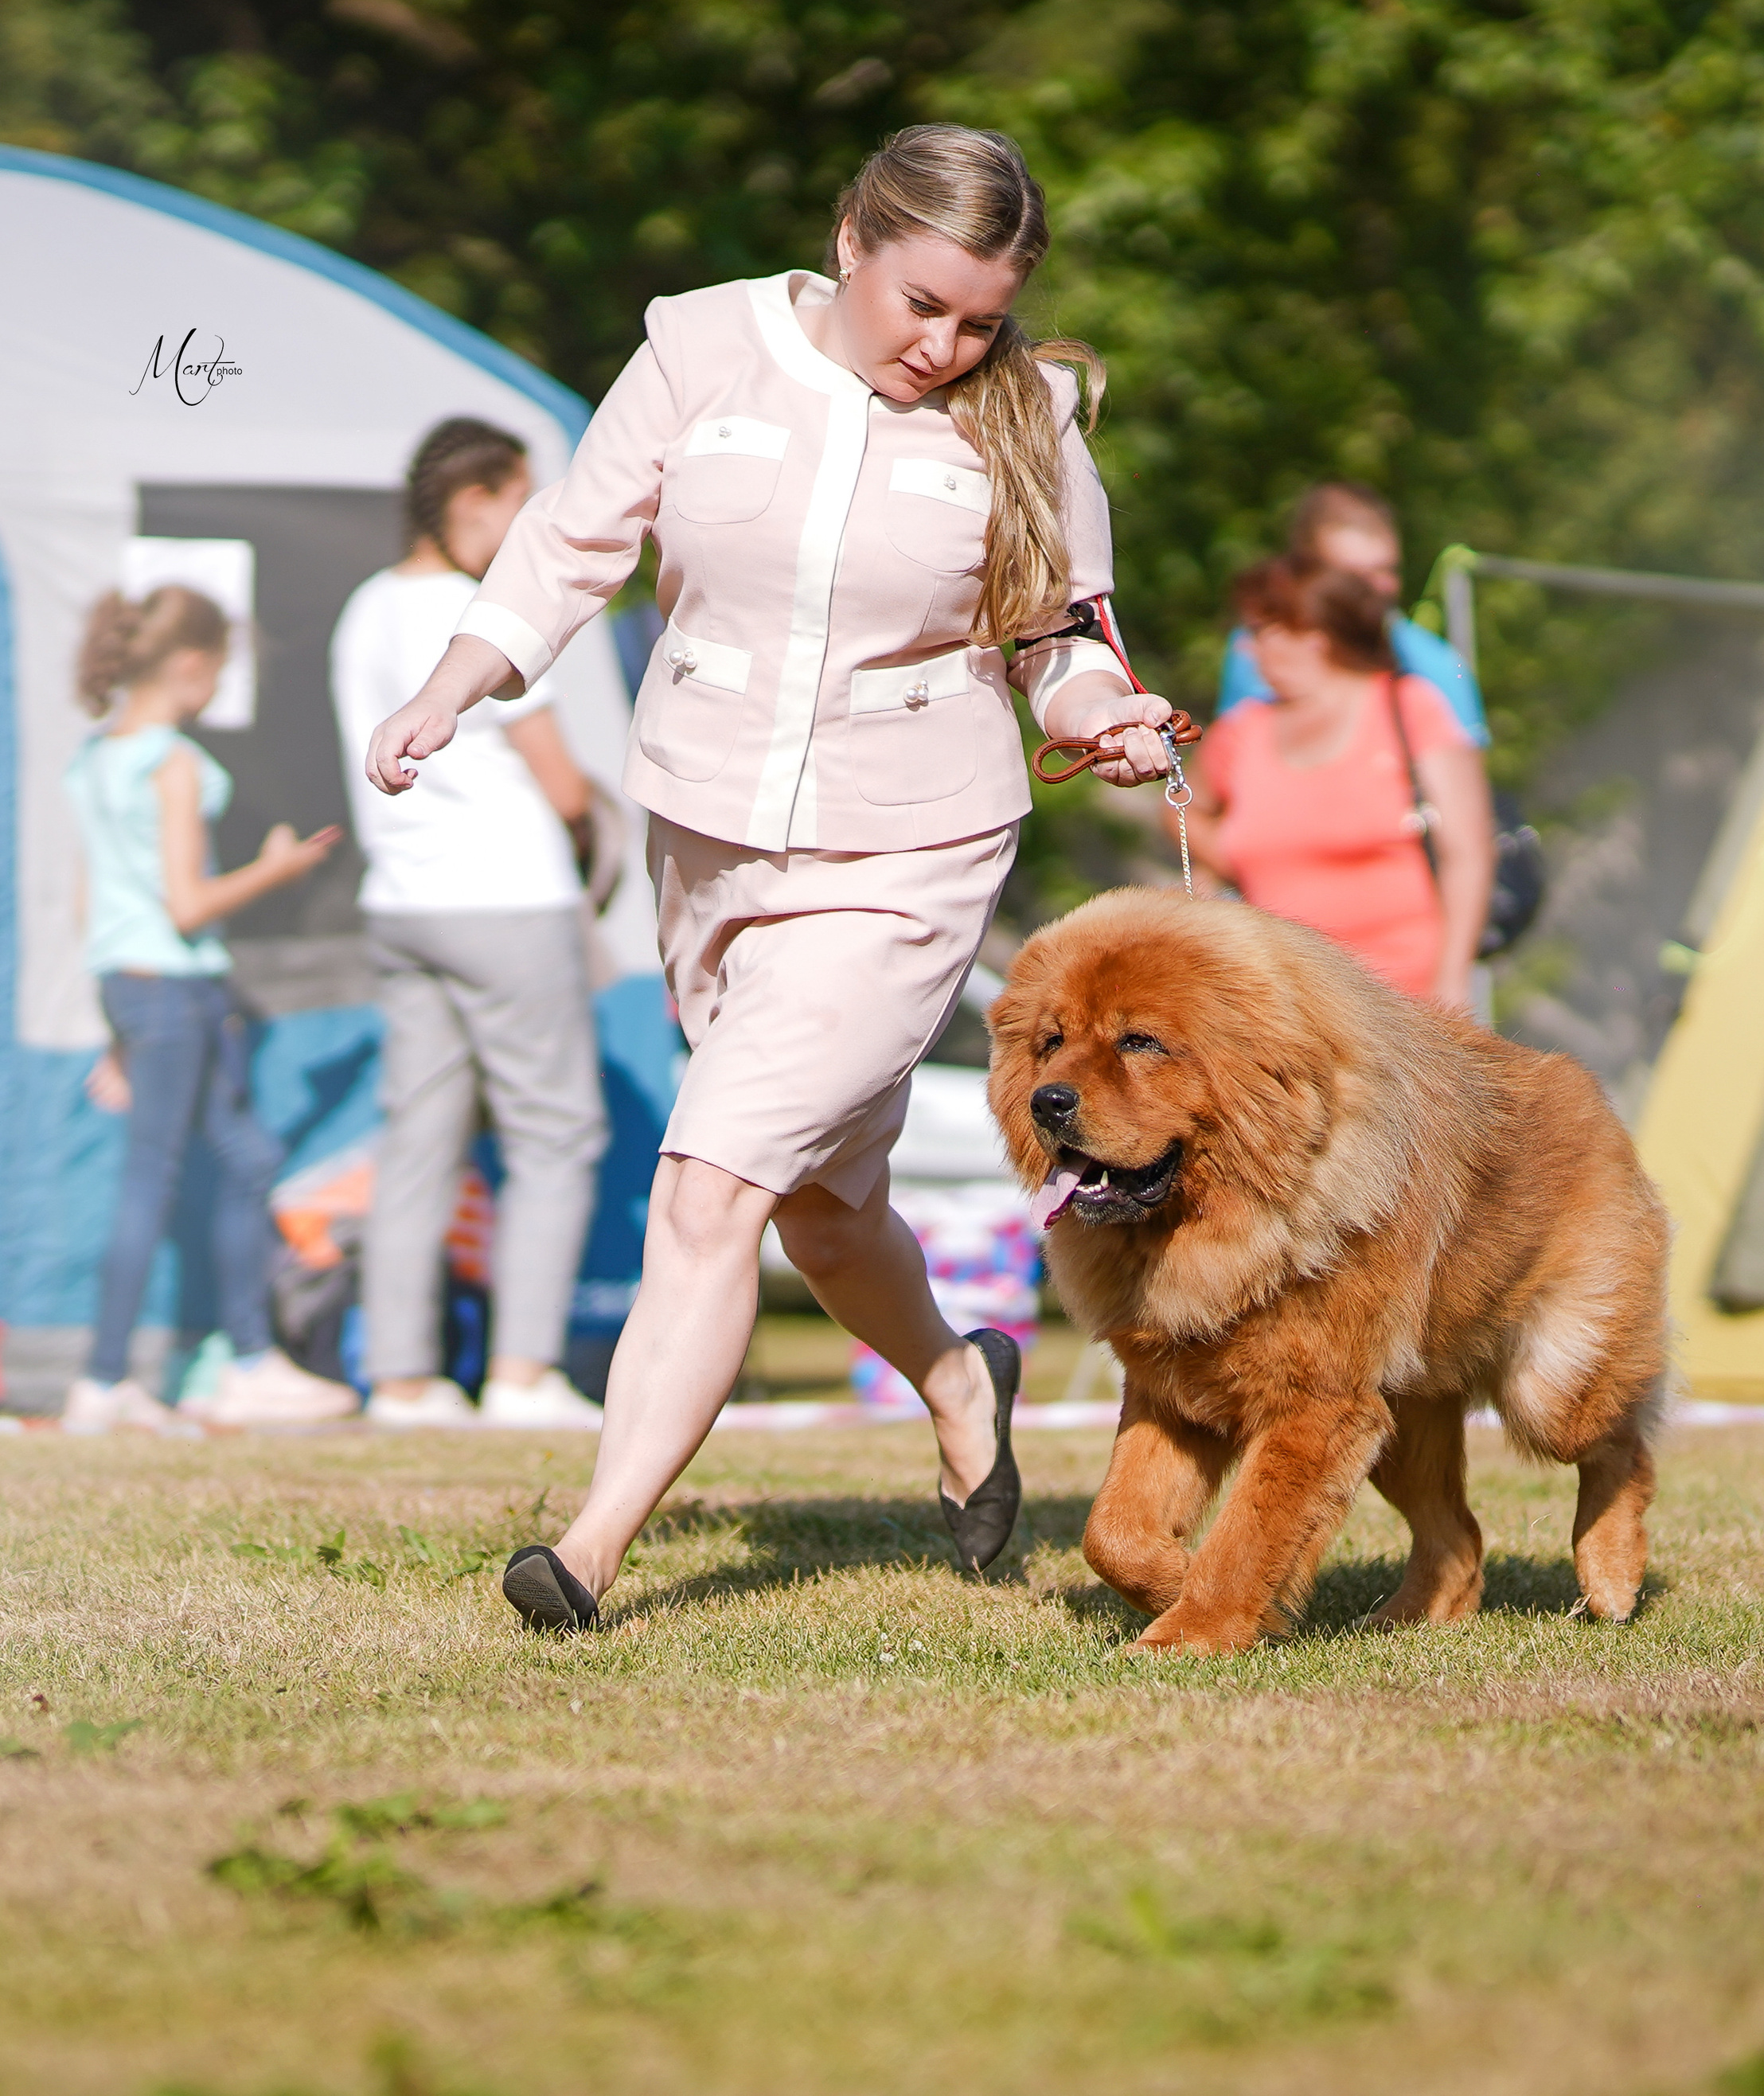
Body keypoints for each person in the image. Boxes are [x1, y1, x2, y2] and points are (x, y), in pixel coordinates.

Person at [366, 123, 1173, 1630]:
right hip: (710, 835)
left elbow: (1055, 641)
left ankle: (589, 1548)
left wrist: (1104, 716)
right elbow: (569, 541)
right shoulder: (699, 343)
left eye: (980, 318)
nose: (947, 344)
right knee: (819, 1200)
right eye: (920, 303)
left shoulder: (1031, 412)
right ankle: (958, 1372)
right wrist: (455, 682)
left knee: (710, 1180)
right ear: (852, 241)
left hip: (910, 846)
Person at [330, 419, 612, 1432]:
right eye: (522, 500)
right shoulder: (477, 614)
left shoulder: (365, 607)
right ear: (475, 503)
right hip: (505, 897)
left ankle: (403, 1380)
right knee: (556, 1132)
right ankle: (523, 1372)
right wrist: (593, 832)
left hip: (403, 903)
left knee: (418, 1139)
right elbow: (560, 780)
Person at [61, 585, 355, 1431]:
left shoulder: (93, 757)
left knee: (244, 1155)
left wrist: (119, 1032)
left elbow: (94, 909)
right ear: (191, 666)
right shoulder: (174, 762)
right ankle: (109, 1377)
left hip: (136, 988)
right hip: (178, 989)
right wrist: (279, 867)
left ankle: (244, 1359)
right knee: (158, 1178)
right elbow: (187, 906)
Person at [1184, 556, 1494, 1009]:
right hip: (1285, 1009)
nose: (1246, 651)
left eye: (1258, 632)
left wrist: (1453, 982)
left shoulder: (1410, 707)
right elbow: (1183, 810)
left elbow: (1468, 853)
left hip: (1410, 1009)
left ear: (1311, 635)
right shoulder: (1242, 731)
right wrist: (1234, 859)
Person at [1216, 482, 1489, 747]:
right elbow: (1232, 757)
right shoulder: (1257, 649)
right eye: (1355, 577)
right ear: (1306, 574)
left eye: (1388, 570)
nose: (1379, 588)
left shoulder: (1437, 665)